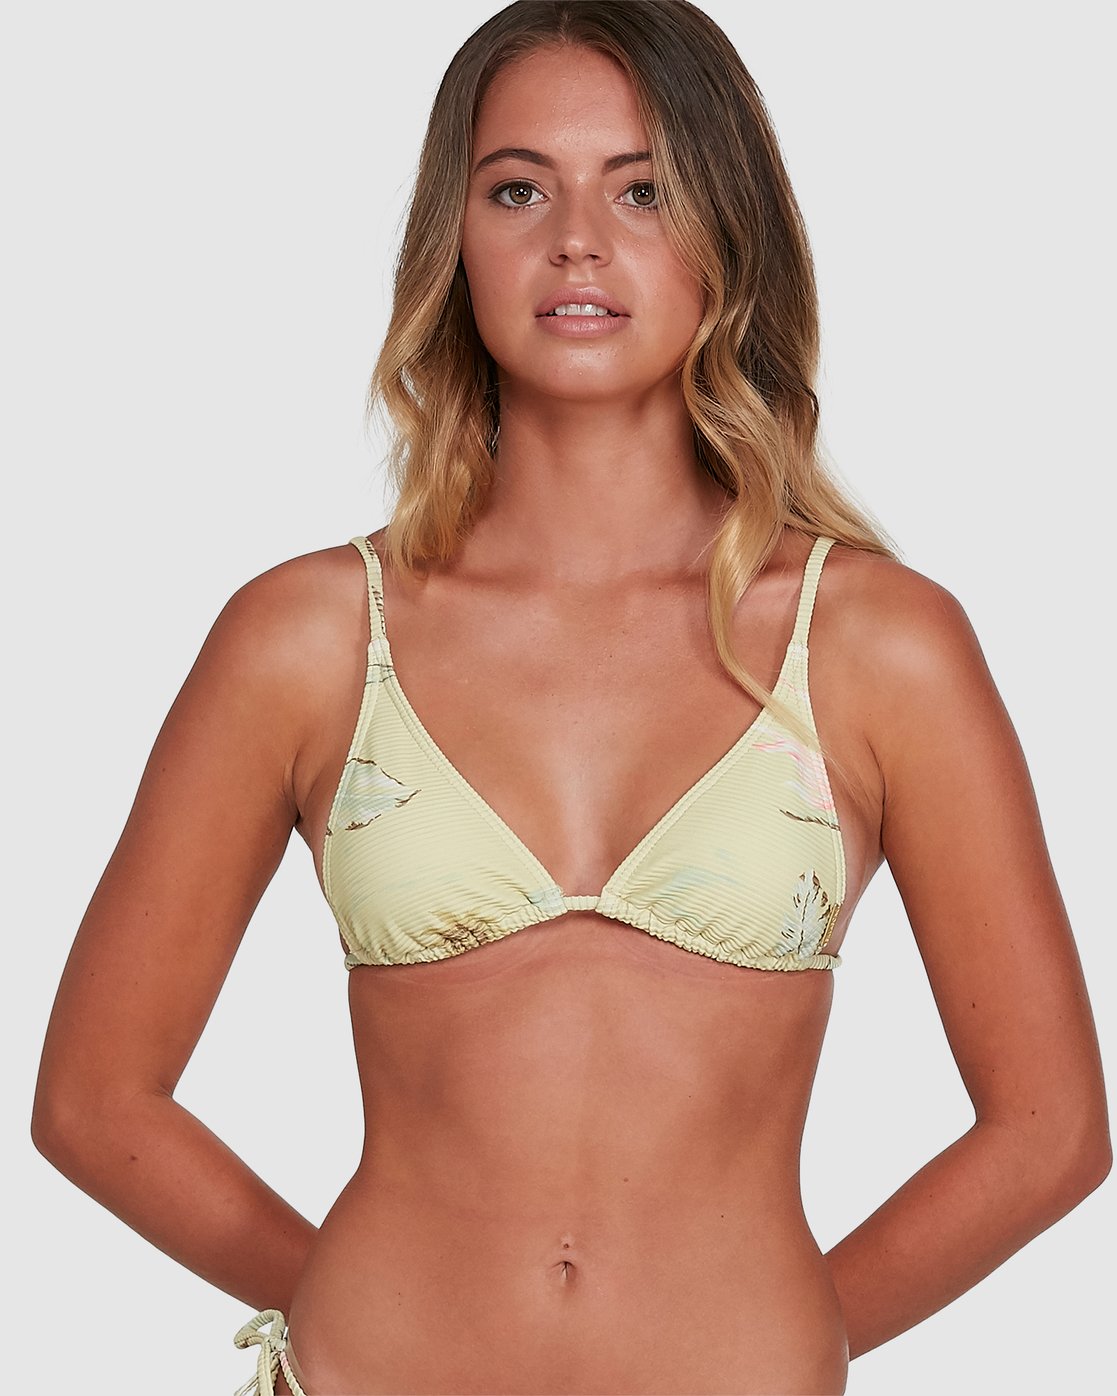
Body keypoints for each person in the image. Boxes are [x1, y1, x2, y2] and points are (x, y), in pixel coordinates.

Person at [30, 2, 1111, 1393]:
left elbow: (1049, 1130)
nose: (577, 242)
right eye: (518, 189)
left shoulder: (877, 645)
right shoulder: (304, 639)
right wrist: (359, 1312)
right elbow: (94, 1099)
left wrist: (787, 1336)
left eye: (643, 189)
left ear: (729, 233)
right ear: (453, 240)